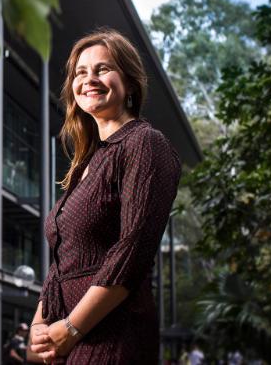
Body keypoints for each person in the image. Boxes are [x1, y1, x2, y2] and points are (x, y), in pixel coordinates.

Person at [29, 28, 182, 364]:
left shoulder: (144, 143)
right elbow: (63, 260)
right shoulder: (88, 162)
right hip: (69, 338)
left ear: (129, 83)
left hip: (113, 337)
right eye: (80, 73)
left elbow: (133, 250)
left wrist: (70, 329)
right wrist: (39, 324)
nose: (89, 79)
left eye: (103, 69)